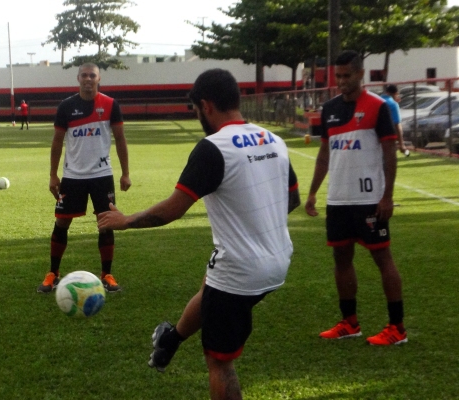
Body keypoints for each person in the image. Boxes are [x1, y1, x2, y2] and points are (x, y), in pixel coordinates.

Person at [97, 68, 300, 400]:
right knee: (211, 285)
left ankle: (171, 340)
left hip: (242, 269)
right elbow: (291, 198)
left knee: (220, 364)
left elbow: (172, 210)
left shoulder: (212, 148)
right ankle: (171, 340)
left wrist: (125, 220)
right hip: (278, 260)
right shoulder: (273, 140)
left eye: (195, 110)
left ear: (206, 106)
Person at [305, 50, 407, 346]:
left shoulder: (378, 107)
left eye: (347, 76)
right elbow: (325, 154)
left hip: (369, 200)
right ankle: (350, 323)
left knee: (382, 257)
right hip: (338, 200)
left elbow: (390, 155)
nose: (341, 81)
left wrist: (387, 197)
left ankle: (397, 327)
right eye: (338, 76)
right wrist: (313, 192)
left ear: (361, 74)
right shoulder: (329, 109)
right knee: (341, 257)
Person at [37, 63, 131, 294]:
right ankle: (53, 273)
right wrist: (52, 175)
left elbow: (120, 139)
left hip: (102, 175)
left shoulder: (110, 105)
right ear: (78, 78)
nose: (88, 79)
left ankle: (107, 274)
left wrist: (125, 173)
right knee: (61, 222)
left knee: (106, 223)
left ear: (99, 78)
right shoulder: (66, 107)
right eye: (84, 75)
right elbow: (57, 142)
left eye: (93, 75)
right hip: (72, 176)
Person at [381, 84, 410, 156]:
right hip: (387, 137)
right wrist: (401, 144)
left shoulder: (377, 100)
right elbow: (397, 124)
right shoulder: (393, 104)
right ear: (396, 93)